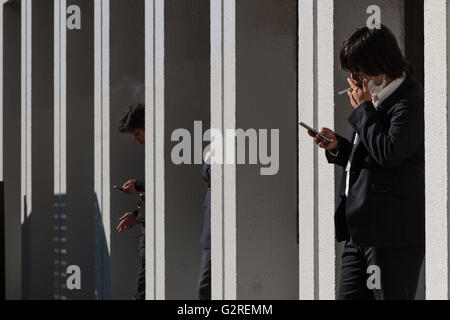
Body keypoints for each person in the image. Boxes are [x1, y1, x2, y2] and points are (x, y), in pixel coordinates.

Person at [307, 25, 424, 300]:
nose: (354, 80)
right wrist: (339, 147)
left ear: (378, 64)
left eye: (358, 71)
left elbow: (390, 153)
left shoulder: (409, 100)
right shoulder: (375, 102)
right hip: (360, 232)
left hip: (391, 235)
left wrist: (363, 109)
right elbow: (372, 155)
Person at [116, 103, 146, 300]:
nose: (136, 140)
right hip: (146, 228)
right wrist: (136, 215)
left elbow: (163, 182)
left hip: (155, 233)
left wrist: (138, 185)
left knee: (144, 285)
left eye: (137, 133)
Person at [197, 151, 211, 300]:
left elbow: (214, 174)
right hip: (210, 237)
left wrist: (207, 161)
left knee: (205, 287)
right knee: (205, 288)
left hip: (214, 236)